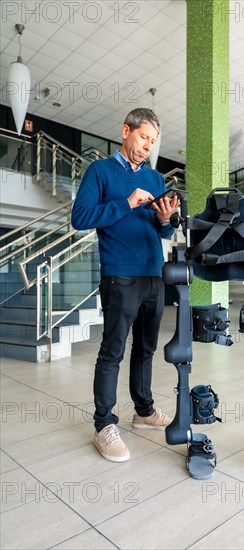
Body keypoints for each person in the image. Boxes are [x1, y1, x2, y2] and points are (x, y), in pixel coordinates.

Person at [71, 108, 179, 462]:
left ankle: (144, 410)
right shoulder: (100, 171)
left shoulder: (156, 179)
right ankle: (104, 424)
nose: (148, 146)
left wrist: (165, 219)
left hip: (154, 274)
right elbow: (81, 217)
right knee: (112, 350)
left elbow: (163, 230)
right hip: (120, 274)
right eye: (144, 137)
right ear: (125, 131)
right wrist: (126, 202)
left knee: (146, 349)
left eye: (153, 141)